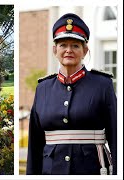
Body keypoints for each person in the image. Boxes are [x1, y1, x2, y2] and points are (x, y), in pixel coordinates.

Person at [26, 13, 117, 175]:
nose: (69, 50)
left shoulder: (103, 85)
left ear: (85, 50)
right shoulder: (43, 88)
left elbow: (117, 138)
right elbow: (35, 144)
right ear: (55, 50)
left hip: (92, 170)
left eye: (75, 45)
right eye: (63, 45)